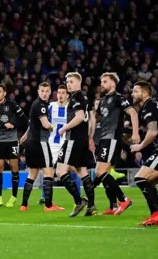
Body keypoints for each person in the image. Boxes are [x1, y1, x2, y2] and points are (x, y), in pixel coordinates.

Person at [89, 73, 139, 216]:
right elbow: (97, 118)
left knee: (100, 172)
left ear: (113, 84)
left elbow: (133, 113)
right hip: (104, 139)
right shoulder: (103, 100)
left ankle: (124, 199)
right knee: (105, 172)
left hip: (111, 139)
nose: (101, 84)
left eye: (105, 81)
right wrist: (91, 137)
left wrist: (135, 133)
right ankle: (112, 205)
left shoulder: (119, 98)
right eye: (101, 81)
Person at [130, 81, 158, 226]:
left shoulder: (148, 107)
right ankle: (157, 214)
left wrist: (139, 146)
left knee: (141, 179)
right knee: (149, 182)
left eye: (135, 91)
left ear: (145, 93)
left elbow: (153, 132)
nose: (132, 94)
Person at [56, 72, 96, 217]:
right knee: (81, 171)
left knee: (60, 171)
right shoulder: (84, 97)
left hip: (73, 139)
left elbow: (79, 117)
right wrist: (90, 137)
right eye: (67, 81)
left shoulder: (77, 97)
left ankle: (79, 201)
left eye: (71, 81)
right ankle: (91, 205)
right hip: (82, 139)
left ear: (79, 82)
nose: (68, 84)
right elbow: (92, 119)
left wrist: (64, 128)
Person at [19, 82, 64, 212]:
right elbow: (45, 124)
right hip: (40, 142)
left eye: (47, 91)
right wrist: (52, 127)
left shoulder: (36, 104)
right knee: (49, 171)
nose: (44, 93)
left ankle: (24, 205)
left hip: (31, 143)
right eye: (42, 91)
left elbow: (32, 124)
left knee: (32, 173)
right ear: (38, 92)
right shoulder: (41, 105)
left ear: (50, 93)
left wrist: (25, 136)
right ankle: (49, 205)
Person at [0, 84, 28, 207]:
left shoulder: (12, 105)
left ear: (4, 93)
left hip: (12, 141)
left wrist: (13, 124)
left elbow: (24, 120)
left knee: (14, 167)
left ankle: (14, 196)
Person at [38, 85, 80, 205]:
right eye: (59, 93)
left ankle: (77, 196)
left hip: (67, 143)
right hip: (52, 143)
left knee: (72, 169)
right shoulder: (51, 106)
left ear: (67, 95)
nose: (60, 95)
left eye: (63, 93)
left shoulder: (71, 108)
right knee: (48, 169)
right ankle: (44, 196)